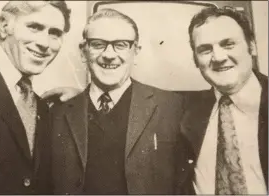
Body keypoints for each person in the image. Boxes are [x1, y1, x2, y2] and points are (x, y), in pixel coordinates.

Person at [50, 8, 185, 195]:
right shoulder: (57, 112)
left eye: (120, 45)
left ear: (135, 52)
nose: (109, 54)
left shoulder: (172, 107)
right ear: (83, 51)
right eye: (98, 44)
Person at [178, 6, 268, 194]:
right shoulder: (186, 112)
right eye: (205, 50)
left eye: (228, 44)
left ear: (252, 46)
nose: (218, 57)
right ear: (195, 60)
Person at [0, 1, 71, 194]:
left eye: (55, 33)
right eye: (34, 27)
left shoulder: (42, 106)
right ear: (4, 26)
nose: (44, 43)